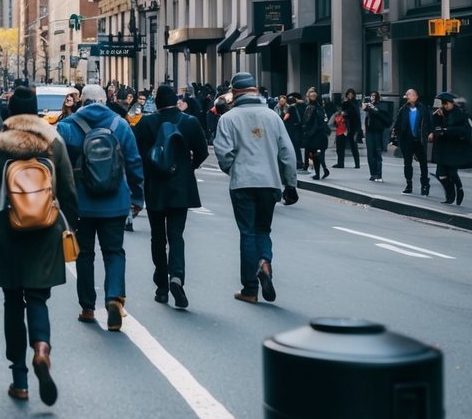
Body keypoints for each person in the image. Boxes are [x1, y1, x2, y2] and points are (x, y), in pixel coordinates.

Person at [0, 86, 77, 405]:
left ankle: (19, 378)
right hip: (46, 229)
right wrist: (73, 228)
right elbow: (68, 189)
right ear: (35, 110)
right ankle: (42, 347)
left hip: (9, 229)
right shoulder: (53, 140)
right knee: (38, 298)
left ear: (10, 110)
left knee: (11, 302)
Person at [56, 84, 144, 331]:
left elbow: (58, 167)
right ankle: (114, 298)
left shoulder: (66, 126)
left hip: (80, 203)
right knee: (114, 252)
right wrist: (137, 198)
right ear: (105, 100)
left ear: (82, 101)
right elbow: (134, 162)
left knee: (84, 254)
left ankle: (87, 307)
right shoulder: (121, 125)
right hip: (115, 202)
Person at [213, 72, 299, 305]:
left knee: (247, 232)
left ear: (235, 93)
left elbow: (223, 153)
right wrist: (290, 184)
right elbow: (288, 154)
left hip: (243, 183)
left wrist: (233, 169)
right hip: (270, 182)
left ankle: (250, 289)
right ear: (255, 91)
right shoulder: (273, 117)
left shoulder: (228, 119)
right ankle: (264, 262)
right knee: (263, 229)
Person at [133, 84, 208, 309]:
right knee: (176, 234)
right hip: (180, 187)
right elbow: (203, 151)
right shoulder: (189, 122)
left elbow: (136, 154)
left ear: (156, 103)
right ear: (176, 101)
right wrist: (189, 166)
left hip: (155, 187)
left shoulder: (146, 123)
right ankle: (177, 276)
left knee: (157, 237)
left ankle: (162, 287)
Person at [429, 92, 472, 206]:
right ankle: (450, 195)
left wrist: (446, 130)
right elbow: (435, 127)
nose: (445, 106)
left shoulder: (459, 114)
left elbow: (462, 130)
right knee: (441, 174)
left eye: (447, 103)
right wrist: (438, 118)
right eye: (443, 103)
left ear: (452, 103)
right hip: (442, 148)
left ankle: (459, 189)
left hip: (454, 149)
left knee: (452, 173)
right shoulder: (440, 113)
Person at [302, 89, 329, 181]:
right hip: (314, 134)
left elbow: (315, 121)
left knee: (316, 153)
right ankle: (321, 171)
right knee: (315, 153)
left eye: (313, 96)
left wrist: (310, 132)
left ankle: (321, 171)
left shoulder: (315, 107)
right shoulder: (314, 107)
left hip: (316, 134)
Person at [363, 92, 391, 182]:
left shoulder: (381, 106)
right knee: (370, 154)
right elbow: (367, 119)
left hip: (378, 132)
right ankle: (373, 174)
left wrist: (374, 109)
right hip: (369, 132)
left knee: (377, 153)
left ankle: (379, 174)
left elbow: (385, 119)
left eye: (374, 96)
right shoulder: (369, 106)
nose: (372, 97)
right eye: (371, 96)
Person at [337, 89, 363, 169]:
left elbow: (354, 116)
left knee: (353, 146)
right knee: (341, 146)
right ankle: (340, 163)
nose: (350, 96)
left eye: (352, 94)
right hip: (345, 126)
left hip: (352, 127)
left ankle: (356, 164)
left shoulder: (354, 104)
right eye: (349, 94)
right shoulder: (347, 103)